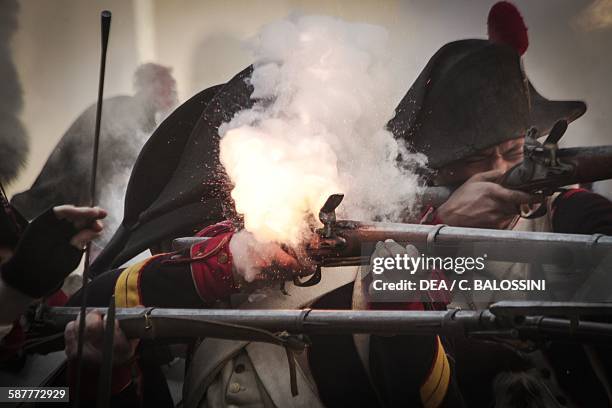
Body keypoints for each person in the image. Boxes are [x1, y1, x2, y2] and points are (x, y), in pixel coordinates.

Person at [386, 1, 612, 406]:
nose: (499, 171)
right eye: (473, 159)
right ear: (433, 171)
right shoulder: (404, 234)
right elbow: (391, 367)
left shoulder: (576, 215)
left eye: (512, 151)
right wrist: (437, 233)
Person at [10, 63, 178, 221]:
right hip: (75, 184)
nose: (172, 93)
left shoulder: (146, 118)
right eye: (166, 86)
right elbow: (110, 163)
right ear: (149, 85)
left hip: (83, 191)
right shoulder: (125, 109)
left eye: (172, 88)